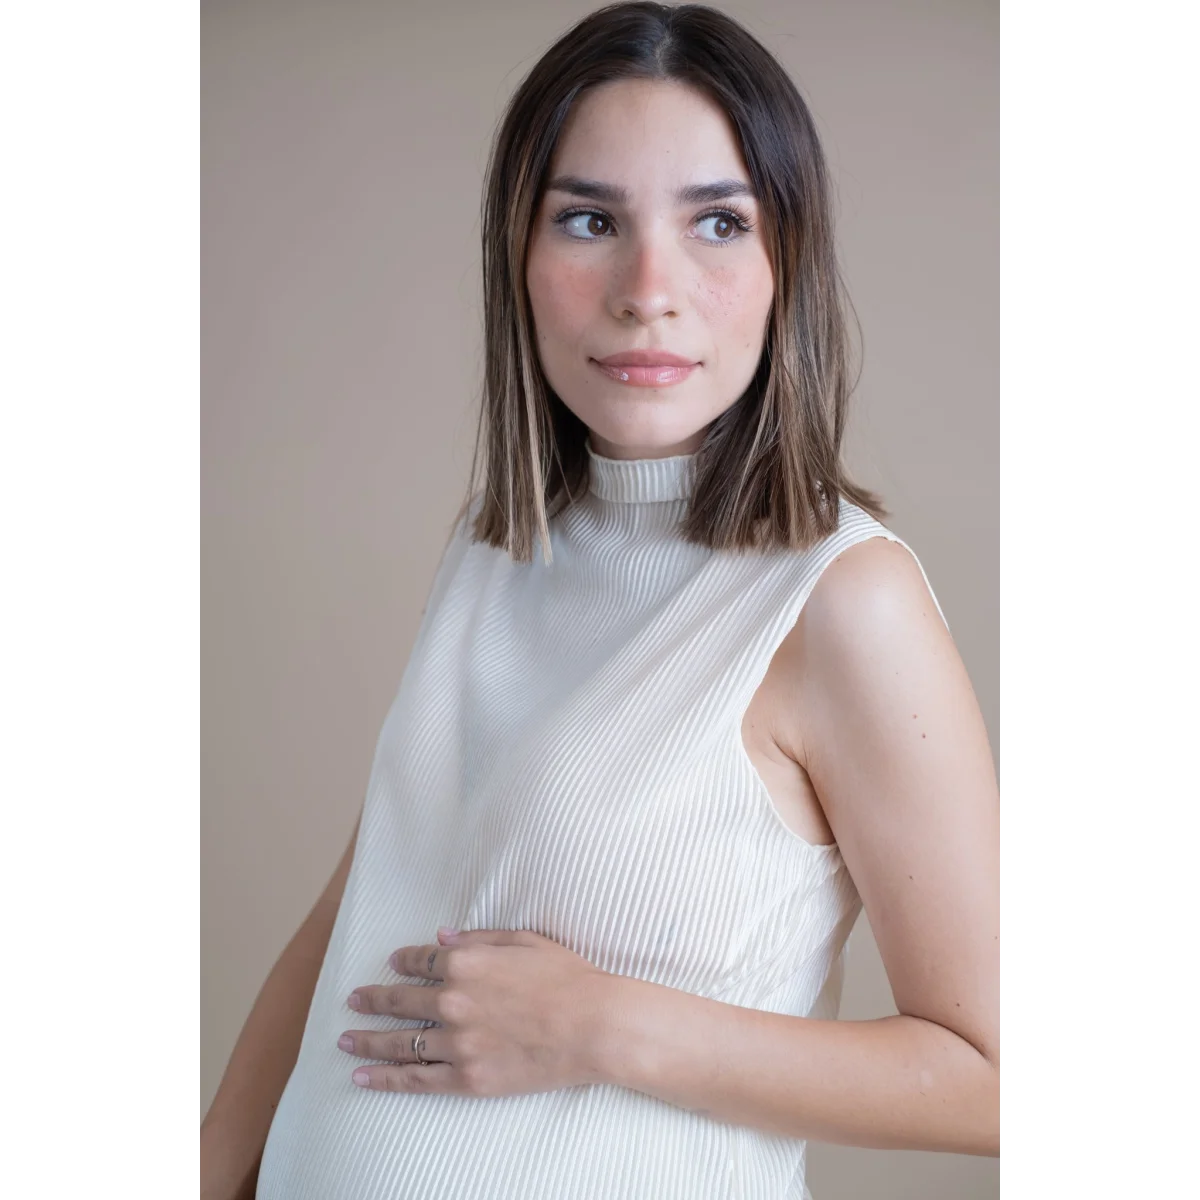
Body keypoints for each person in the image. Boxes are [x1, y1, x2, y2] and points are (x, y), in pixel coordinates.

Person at [199, 3, 999, 1197]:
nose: (646, 290)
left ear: (787, 264)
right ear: (518, 257)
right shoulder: (498, 544)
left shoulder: (841, 600)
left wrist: (602, 1027)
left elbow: (986, 1076)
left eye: (718, 221)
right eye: (590, 220)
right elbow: (359, 908)